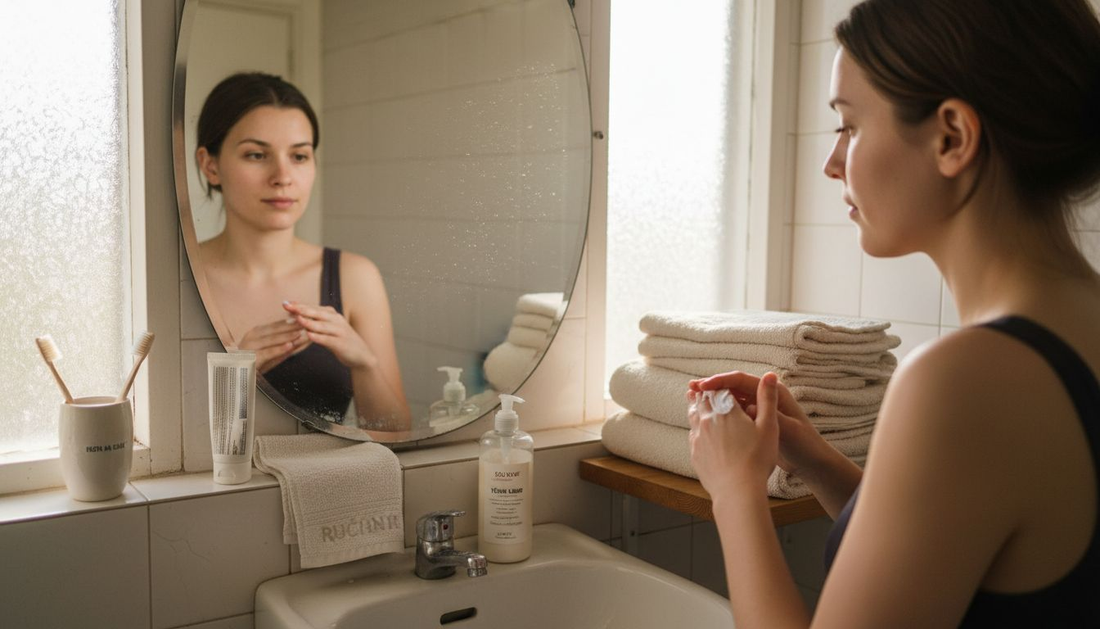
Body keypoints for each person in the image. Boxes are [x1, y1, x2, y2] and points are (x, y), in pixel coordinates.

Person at [687, 1, 1100, 626]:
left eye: (849, 127)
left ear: (951, 138)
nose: (832, 164)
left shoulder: (967, 380)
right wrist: (816, 460)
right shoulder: (1071, 330)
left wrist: (735, 492)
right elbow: (987, 560)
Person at [195, 72, 410, 431]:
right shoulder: (176, 277)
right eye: (256, 154)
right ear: (211, 165)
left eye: (298, 156)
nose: (282, 175)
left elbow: (396, 435)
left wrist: (364, 364)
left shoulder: (354, 277)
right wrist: (233, 378)